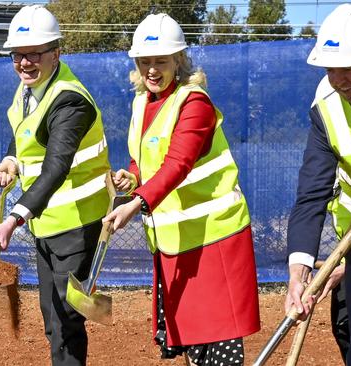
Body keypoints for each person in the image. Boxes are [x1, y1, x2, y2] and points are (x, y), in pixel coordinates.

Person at [102, 14, 260, 365]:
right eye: (145, 62)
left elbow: (178, 164)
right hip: (175, 243)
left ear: (179, 60)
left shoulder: (195, 103)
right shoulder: (141, 103)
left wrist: (137, 203)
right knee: (190, 342)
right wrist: (132, 178)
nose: (152, 70)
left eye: (161, 61)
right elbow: (143, 159)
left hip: (214, 241)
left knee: (217, 346)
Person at [0, 5, 111, 365]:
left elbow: (56, 167)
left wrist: (14, 218)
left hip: (77, 222)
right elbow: (25, 136)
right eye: (18, 55)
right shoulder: (29, 90)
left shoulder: (69, 100)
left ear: (56, 52)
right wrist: (10, 161)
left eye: (34, 54)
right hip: (48, 222)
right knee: (53, 316)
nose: (24, 62)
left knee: (67, 320)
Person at [285, 4, 351, 365]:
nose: (338, 79)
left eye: (348, 67)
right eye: (330, 68)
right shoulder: (327, 105)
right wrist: (299, 273)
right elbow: (312, 193)